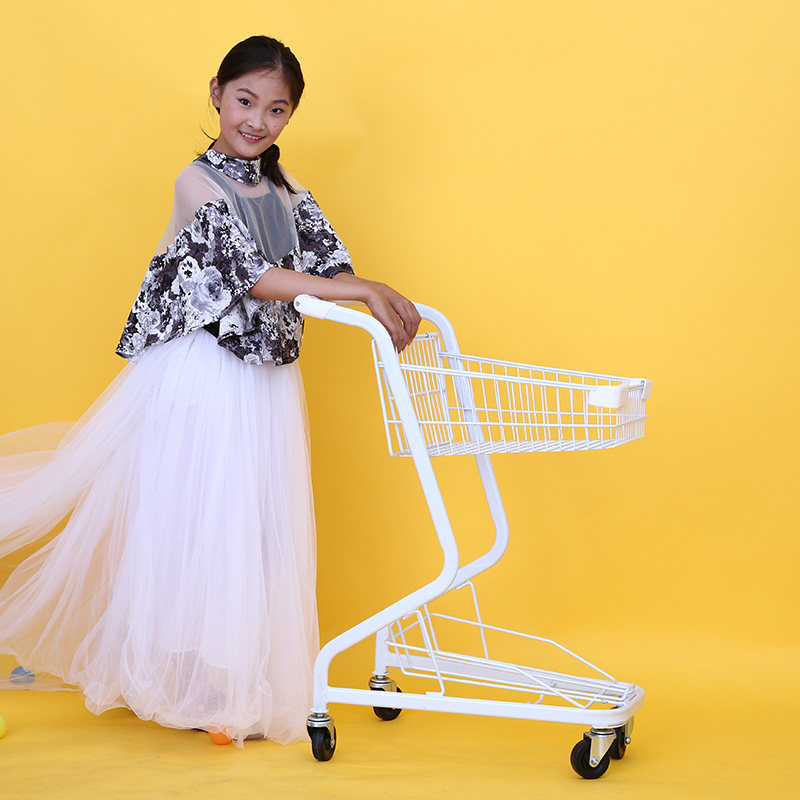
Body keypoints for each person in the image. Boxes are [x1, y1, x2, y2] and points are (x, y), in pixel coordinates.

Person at [0, 35, 420, 749]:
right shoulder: (195, 183)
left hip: (266, 376)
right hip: (205, 371)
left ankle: (225, 685)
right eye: (245, 101)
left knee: (248, 521)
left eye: (276, 109)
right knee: (200, 518)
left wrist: (369, 292)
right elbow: (252, 275)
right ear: (217, 94)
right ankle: (190, 685)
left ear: (291, 116)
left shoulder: (285, 188)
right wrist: (362, 291)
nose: (257, 120)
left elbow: (327, 262)